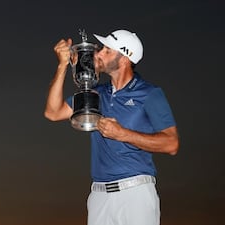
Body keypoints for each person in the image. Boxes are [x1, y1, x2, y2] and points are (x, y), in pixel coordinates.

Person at [44, 29, 179, 225]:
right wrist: (63, 65)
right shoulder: (97, 93)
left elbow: (171, 144)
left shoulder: (149, 93)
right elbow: (53, 112)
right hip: (99, 196)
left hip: (135, 195)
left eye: (107, 50)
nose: (98, 54)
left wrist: (123, 134)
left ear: (124, 58)